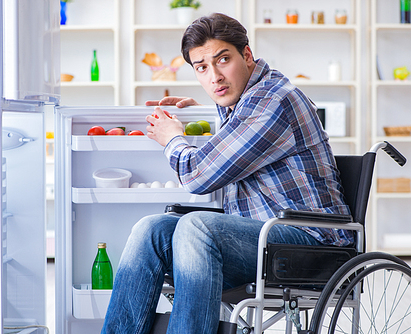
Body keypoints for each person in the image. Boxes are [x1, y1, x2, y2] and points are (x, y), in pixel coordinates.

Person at [101, 13, 352, 334]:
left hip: (312, 245)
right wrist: (206, 112)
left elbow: (198, 177)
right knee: (151, 229)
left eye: (223, 60)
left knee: (197, 226)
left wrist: (172, 139)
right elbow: (237, 136)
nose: (215, 77)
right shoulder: (249, 101)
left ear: (246, 55)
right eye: (202, 68)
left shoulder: (273, 100)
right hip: (264, 241)